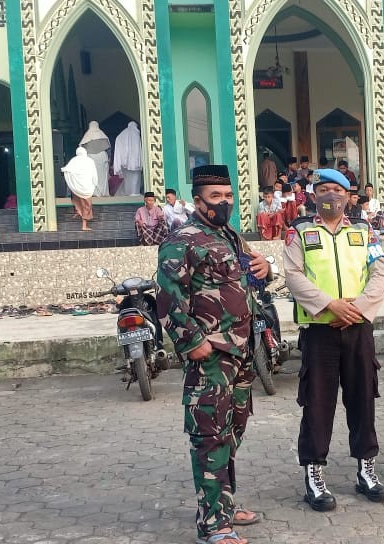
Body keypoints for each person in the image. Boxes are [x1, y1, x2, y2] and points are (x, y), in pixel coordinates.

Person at [156, 164, 272, 544]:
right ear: (197, 200)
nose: (224, 203)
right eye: (215, 197)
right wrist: (193, 344)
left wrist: (264, 267)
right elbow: (169, 301)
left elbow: (248, 276)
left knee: (232, 431)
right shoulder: (182, 240)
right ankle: (213, 525)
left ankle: (223, 502)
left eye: (228, 196)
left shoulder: (231, 235)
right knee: (209, 436)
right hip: (212, 355)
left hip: (240, 353)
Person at [283, 168, 384, 511]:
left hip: (358, 330)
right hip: (319, 332)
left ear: (349, 196)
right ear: (313, 196)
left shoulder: (365, 230)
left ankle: (366, 471)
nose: (331, 195)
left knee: (363, 399)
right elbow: (293, 276)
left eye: (338, 190)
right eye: (324, 189)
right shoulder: (298, 231)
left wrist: (357, 309)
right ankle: (314, 475)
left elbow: (380, 272)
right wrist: (330, 305)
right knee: (317, 403)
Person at [61, 147, 97, 231]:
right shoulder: (89, 161)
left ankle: (78, 212)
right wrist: (95, 183)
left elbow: (67, 170)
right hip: (87, 188)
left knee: (78, 202)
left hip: (76, 189)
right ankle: (84, 225)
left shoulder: (74, 161)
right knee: (86, 206)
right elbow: (94, 174)